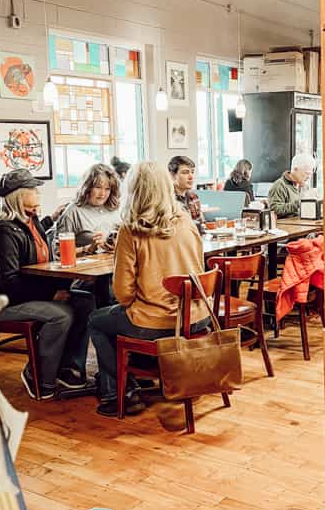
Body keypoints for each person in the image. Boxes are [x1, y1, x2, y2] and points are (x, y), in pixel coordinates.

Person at [89, 162, 210, 417]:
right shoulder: (186, 221)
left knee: (97, 320)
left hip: (156, 322)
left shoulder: (131, 230)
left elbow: (123, 294)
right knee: (123, 318)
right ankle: (143, 372)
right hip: (197, 317)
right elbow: (199, 267)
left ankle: (120, 393)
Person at [0, 168, 93, 400]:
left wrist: (51, 217)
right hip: (6, 302)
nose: (38, 193)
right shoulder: (3, 232)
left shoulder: (31, 222)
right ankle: (38, 375)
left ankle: (67, 368)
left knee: (86, 302)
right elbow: (10, 283)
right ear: (19, 195)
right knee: (61, 314)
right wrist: (51, 294)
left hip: (32, 293)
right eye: (33, 190)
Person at [53, 163, 121, 257]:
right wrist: (87, 249)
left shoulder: (114, 209)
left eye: (107, 189)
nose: (102, 194)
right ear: (87, 187)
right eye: (98, 187)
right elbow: (58, 253)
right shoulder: (72, 212)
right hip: (84, 269)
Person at [268, 153, 317, 218]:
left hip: (302, 224)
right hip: (285, 226)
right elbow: (274, 210)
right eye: (307, 173)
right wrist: (299, 203)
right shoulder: (279, 186)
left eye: (310, 174)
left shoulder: (305, 186)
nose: (309, 177)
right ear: (295, 169)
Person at [168, 155, 204, 231]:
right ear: (172, 175)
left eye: (192, 172)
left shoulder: (193, 197)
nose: (191, 177)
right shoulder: (168, 199)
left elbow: (201, 224)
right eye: (185, 172)